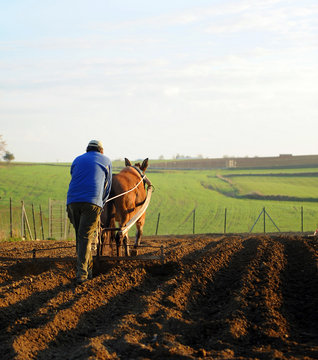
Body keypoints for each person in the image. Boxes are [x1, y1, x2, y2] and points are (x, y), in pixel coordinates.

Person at [67, 140, 112, 284]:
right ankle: (82, 275)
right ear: (101, 150)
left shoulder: (77, 159)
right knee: (85, 237)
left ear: (87, 150)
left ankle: (89, 271)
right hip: (92, 202)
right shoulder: (106, 160)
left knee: (81, 237)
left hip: (72, 201)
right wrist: (101, 203)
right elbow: (108, 186)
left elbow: (74, 177)